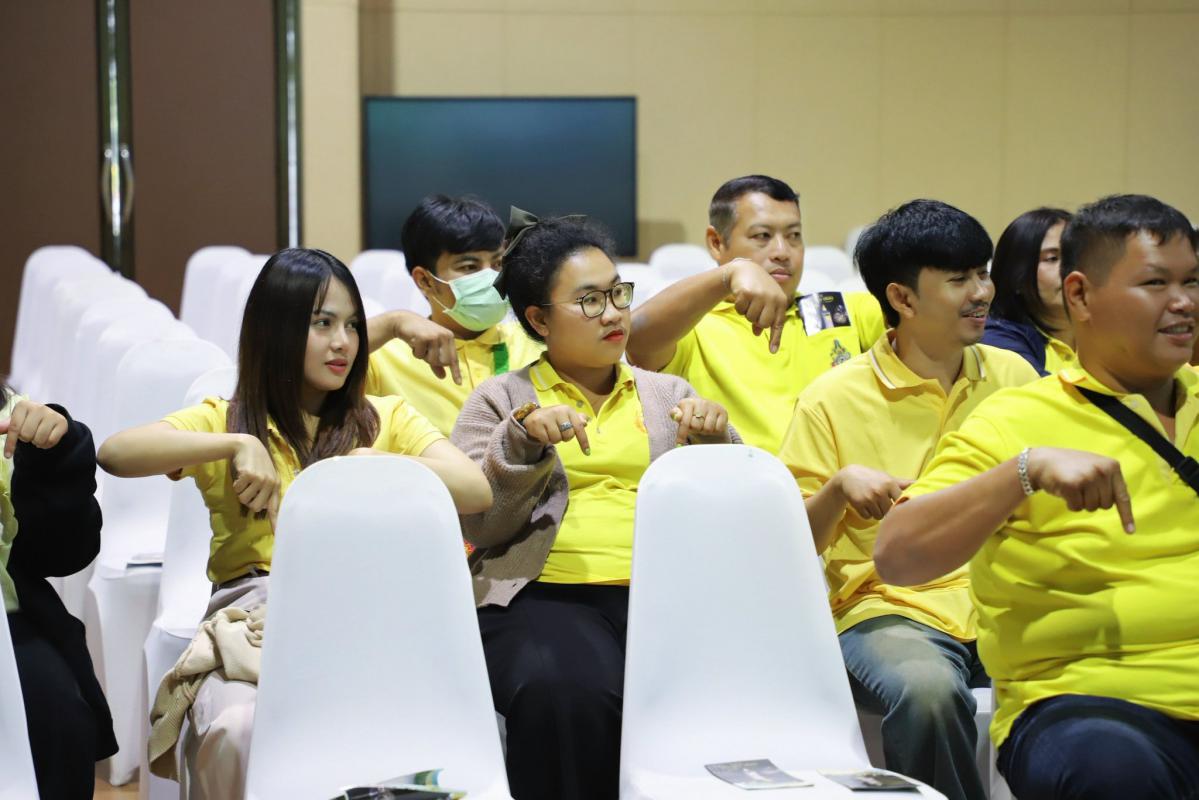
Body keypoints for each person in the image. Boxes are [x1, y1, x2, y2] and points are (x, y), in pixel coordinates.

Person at [98, 248, 492, 800]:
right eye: (322, 323)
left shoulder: (384, 418)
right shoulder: (226, 419)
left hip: (370, 614)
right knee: (238, 729)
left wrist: (380, 463)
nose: (343, 343)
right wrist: (236, 444)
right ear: (276, 329)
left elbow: (476, 489)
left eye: (352, 326)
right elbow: (116, 453)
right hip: (259, 613)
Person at [876, 194, 1199, 800]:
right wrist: (1022, 473)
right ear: (1080, 296)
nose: (1183, 302)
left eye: (1192, 281)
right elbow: (897, 554)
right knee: (1114, 772)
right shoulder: (1015, 419)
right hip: (1092, 706)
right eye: (1156, 283)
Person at [452, 210, 738, 800]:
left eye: (617, 293)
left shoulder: (668, 393)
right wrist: (521, 441)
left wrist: (717, 441)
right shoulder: (500, 399)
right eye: (588, 301)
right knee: (568, 691)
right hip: (542, 595)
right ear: (538, 319)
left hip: (664, 594)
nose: (613, 314)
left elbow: (734, 511)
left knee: (724, 686)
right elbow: (482, 522)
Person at [779, 200, 1037, 800]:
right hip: (889, 609)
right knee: (927, 692)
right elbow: (792, 544)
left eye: (983, 273)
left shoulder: (1016, 377)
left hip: (1007, 595)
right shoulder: (831, 399)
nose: (982, 292)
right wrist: (838, 489)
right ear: (902, 297)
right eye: (959, 279)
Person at [626, 174, 885, 452]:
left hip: (844, 474)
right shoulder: (694, 324)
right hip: (745, 474)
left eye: (794, 236)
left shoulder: (837, 309)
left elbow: (917, 324)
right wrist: (730, 274)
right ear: (716, 242)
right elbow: (636, 339)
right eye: (763, 236)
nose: (782, 252)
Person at [1, 387, 117, 798]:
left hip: (9, 619)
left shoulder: (17, 420)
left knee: (59, 717)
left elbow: (65, 554)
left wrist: (53, 458)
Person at [365, 194, 543, 436]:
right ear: (425, 281)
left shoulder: (537, 340)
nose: (492, 279)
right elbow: (316, 363)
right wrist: (393, 321)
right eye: (469, 267)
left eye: (498, 264)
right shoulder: (384, 357)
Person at [982, 207, 1077, 375]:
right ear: (1016, 276)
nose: (1071, 268)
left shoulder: (1108, 332)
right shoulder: (998, 340)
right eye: (1052, 258)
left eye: (1077, 255)